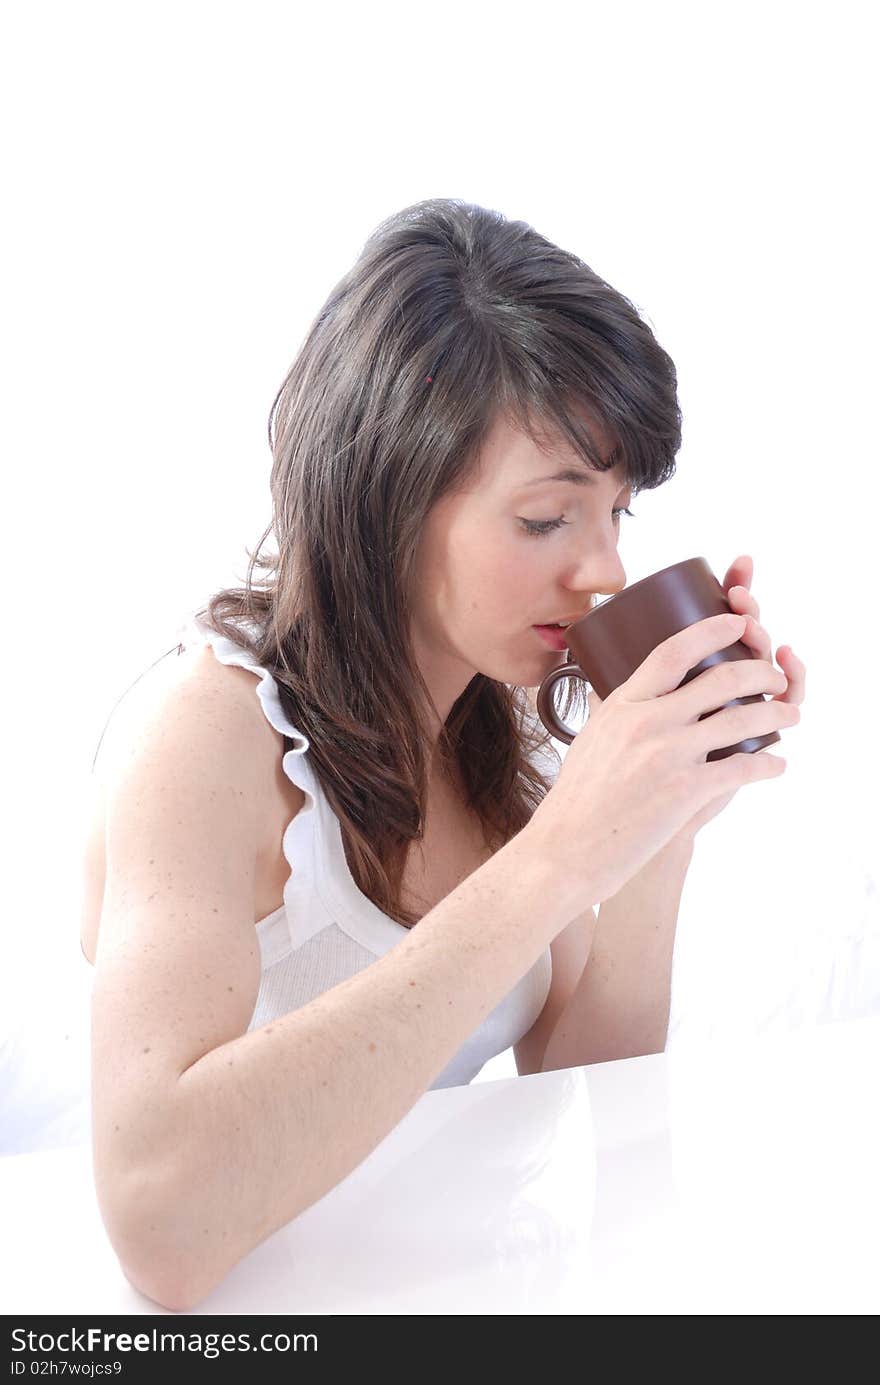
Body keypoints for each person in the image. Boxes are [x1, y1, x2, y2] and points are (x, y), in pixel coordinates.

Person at [82, 197, 804, 1312]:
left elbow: (580, 1081)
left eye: (616, 510)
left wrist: (665, 820)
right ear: (386, 496)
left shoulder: (488, 717)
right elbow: (158, 1228)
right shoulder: (211, 734)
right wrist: (556, 861)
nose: (603, 569)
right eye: (543, 520)